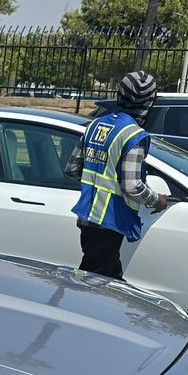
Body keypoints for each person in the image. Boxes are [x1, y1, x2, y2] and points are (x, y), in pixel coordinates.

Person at [64, 70, 169, 279]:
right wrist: (156, 200)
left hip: (88, 218)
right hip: (110, 222)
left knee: (112, 281)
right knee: (91, 285)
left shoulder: (95, 125)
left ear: (119, 94)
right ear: (149, 102)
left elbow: (73, 168)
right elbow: (131, 186)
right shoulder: (134, 135)